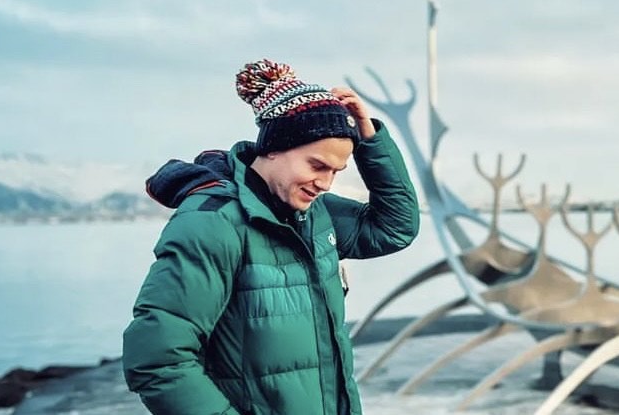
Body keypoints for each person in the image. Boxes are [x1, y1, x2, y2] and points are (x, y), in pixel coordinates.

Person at [122, 59, 420, 415]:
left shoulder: (316, 214)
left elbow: (395, 227)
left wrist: (370, 138)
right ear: (275, 147)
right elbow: (158, 360)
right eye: (317, 165)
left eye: (336, 171)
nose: (325, 183)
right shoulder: (212, 223)